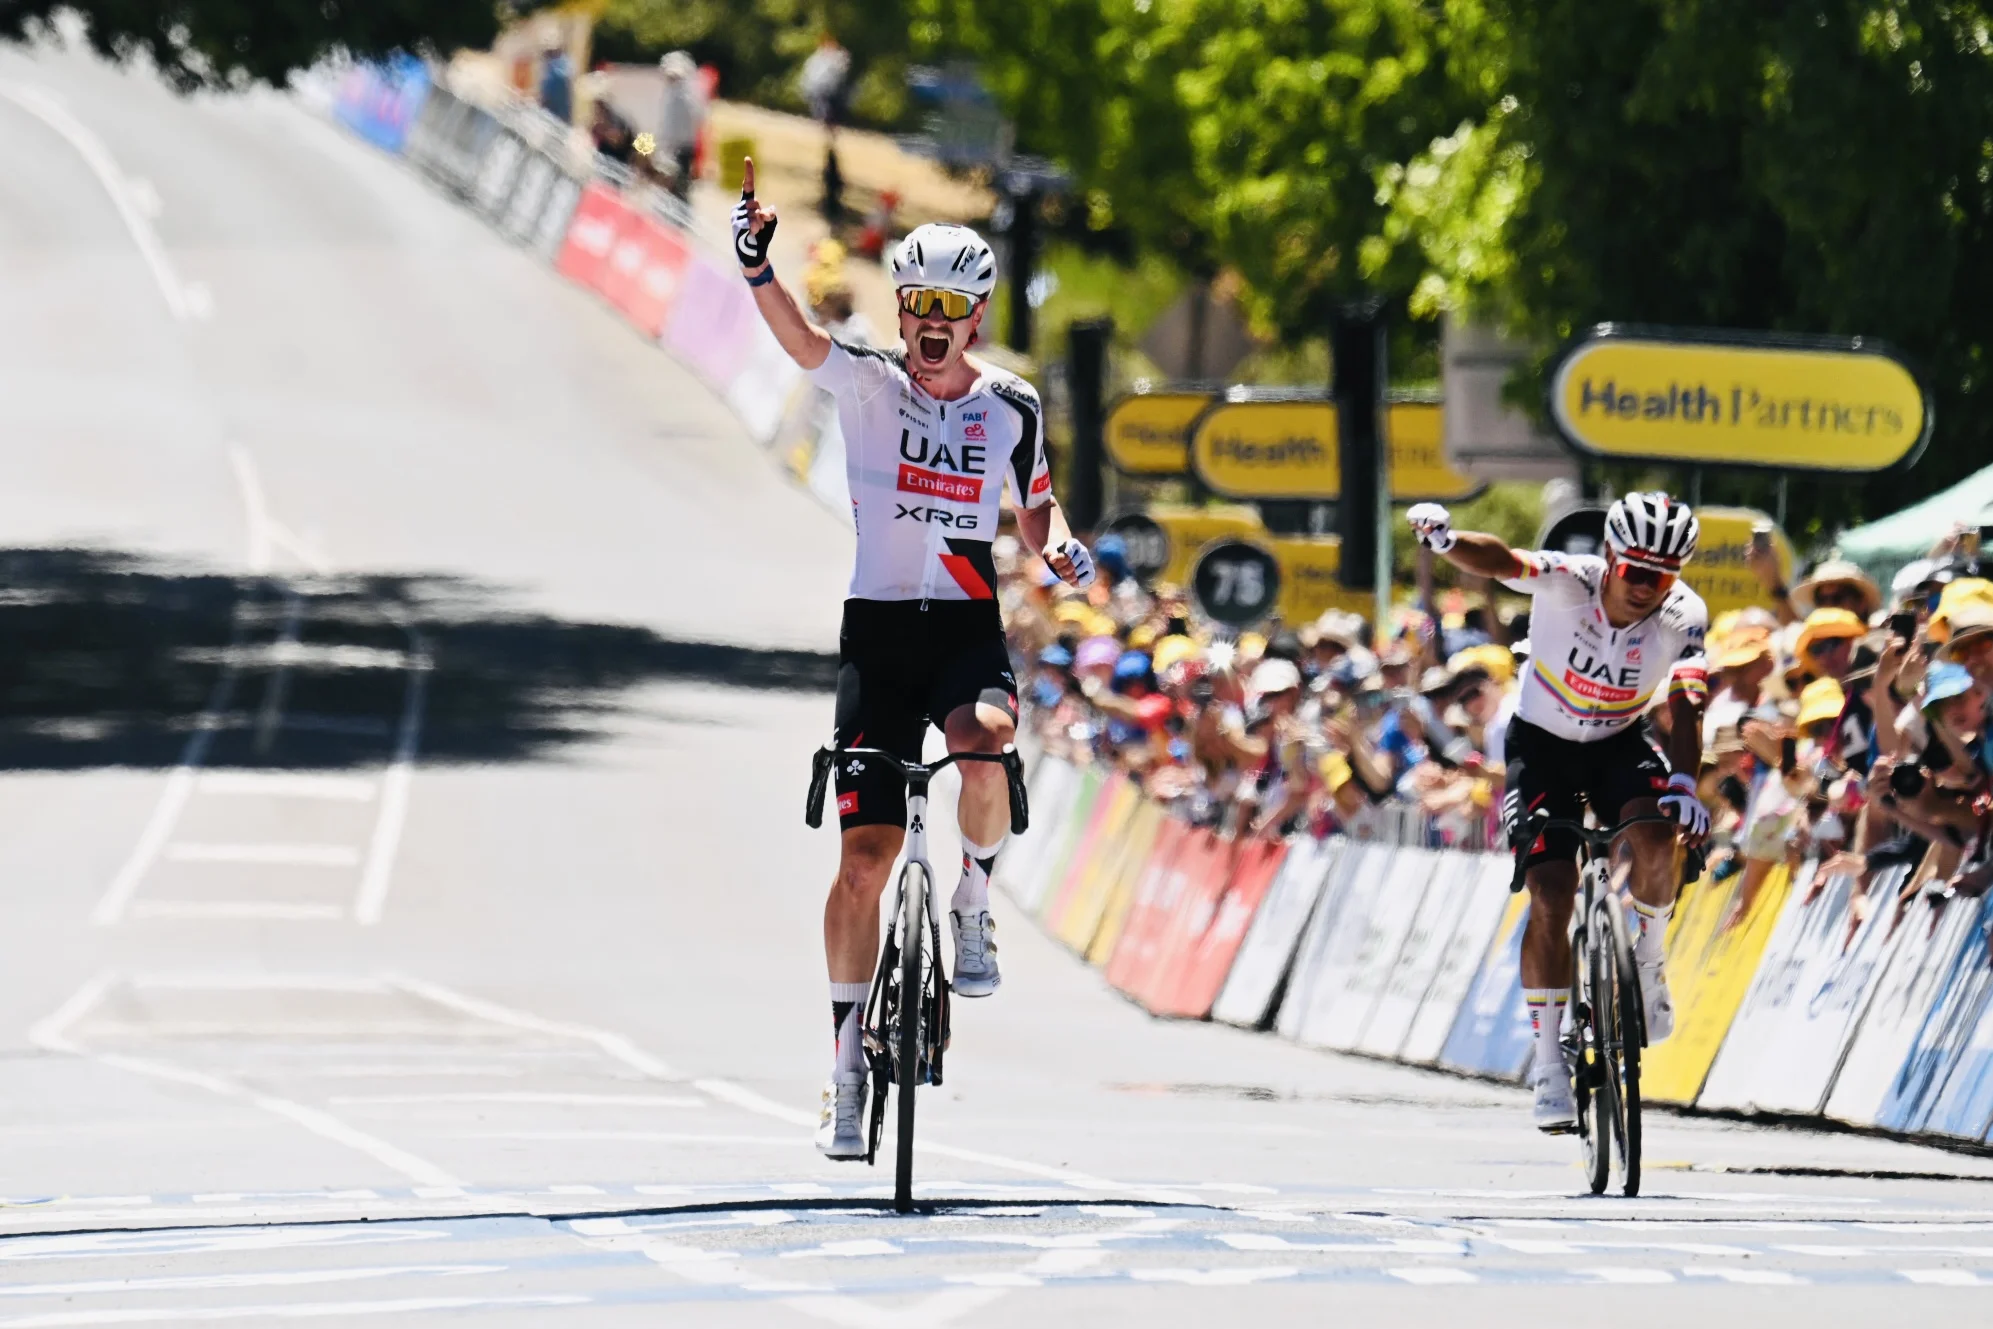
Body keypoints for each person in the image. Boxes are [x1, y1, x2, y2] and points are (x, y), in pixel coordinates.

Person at [731, 160, 1097, 1159]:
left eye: (951, 307)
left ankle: (973, 902)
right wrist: (758, 266)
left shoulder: (1010, 404)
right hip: (880, 636)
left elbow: (1037, 506)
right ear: (901, 309)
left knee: (986, 742)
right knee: (863, 863)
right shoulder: (867, 380)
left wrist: (1059, 545)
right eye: (918, 303)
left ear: (975, 318)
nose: (933, 321)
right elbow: (799, 339)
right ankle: (847, 1068)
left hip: (964, 628)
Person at [1408, 492, 1710, 1133]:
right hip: (1542, 748)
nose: (1646, 588)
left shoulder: (1683, 615)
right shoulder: (1571, 580)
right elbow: (1501, 560)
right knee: (1551, 892)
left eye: (1661, 577)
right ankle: (1548, 1063)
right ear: (1611, 558)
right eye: (1636, 572)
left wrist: (1685, 783)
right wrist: (1447, 541)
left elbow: (1688, 704)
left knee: (1659, 834)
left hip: (1618, 745)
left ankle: (1650, 962)